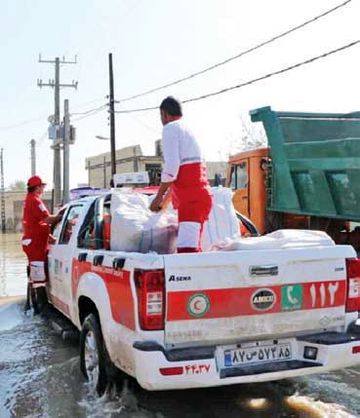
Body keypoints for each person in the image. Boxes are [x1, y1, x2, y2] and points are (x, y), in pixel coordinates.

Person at [150, 96, 212, 253]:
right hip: (199, 198)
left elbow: (172, 168)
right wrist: (164, 203)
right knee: (192, 250)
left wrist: (158, 197)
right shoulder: (187, 130)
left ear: (163, 113)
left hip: (191, 201)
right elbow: (180, 176)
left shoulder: (170, 128)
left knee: (187, 252)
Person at [22, 176, 62, 311]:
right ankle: (41, 307)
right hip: (36, 245)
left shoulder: (29, 200)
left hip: (33, 242)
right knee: (38, 276)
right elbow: (47, 219)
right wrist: (61, 216)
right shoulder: (35, 200)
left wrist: (48, 235)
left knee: (35, 272)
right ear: (37, 187)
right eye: (42, 186)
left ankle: (34, 302)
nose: (43, 189)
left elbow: (36, 223)